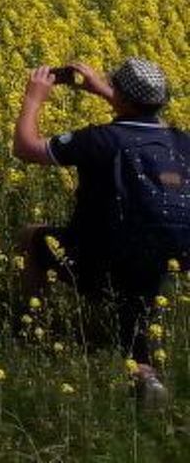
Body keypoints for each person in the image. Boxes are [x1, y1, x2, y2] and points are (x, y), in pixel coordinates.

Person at [12, 56, 190, 403]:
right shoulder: (181, 142)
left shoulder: (101, 140)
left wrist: (34, 99)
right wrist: (108, 92)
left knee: (31, 237)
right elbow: (142, 118)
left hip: (102, 260)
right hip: (170, 260)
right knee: (136, 292)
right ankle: (145, 374)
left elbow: (25, 148)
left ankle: (33, 331)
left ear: (120, 96)